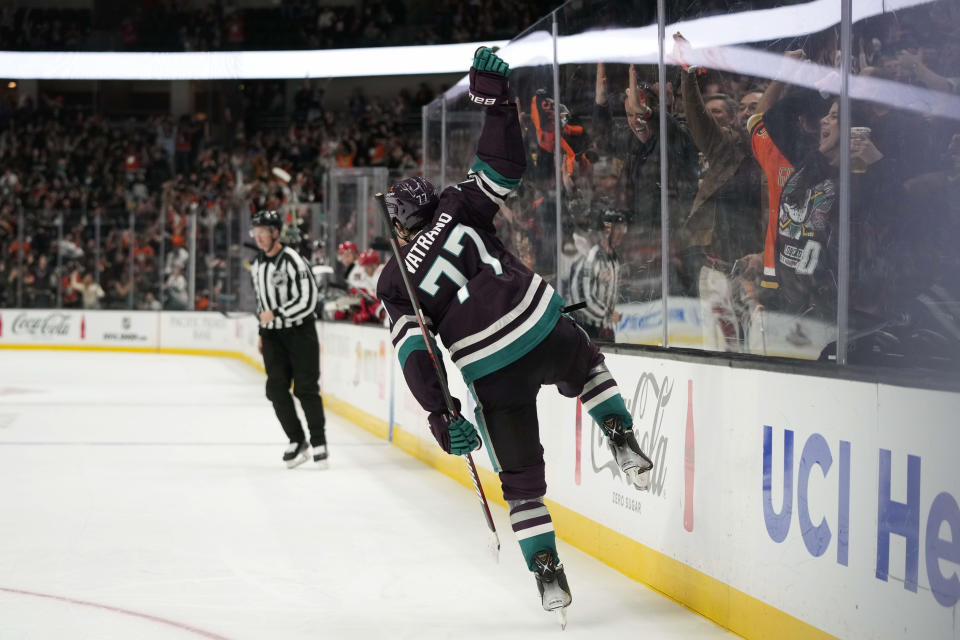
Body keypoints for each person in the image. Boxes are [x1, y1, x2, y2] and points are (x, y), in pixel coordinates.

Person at [376, 47, 654, 620]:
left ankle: (548, 574)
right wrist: (498, 105)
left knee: (522, 484)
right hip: (538, 323)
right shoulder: (457, 205)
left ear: (400, 224)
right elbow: (504, 167)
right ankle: (619, 433)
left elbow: (414, 355)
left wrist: (443, 412)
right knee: (588, 366)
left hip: (490, 372)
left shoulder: (396, 279)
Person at [248, 209, 328, 469]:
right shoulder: (257, 265)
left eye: (263, 232)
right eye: (255, 233)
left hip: (300, 333)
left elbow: (308, 300)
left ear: (275, 233)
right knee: (275, 389)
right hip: (273, 336)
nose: (258, 238)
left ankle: (318, 442)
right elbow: (262, 303)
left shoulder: (293, 259)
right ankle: (297, 440)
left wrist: (277, 314)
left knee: (305, 388)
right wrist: (263, 330)